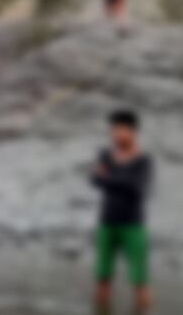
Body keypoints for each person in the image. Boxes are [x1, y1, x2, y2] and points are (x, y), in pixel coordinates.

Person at [91, 110, 153, 312]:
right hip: (107, 222)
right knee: (102, 277)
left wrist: (108, 179)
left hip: (133, 225)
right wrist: (119, 181)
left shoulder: (143, 160)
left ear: (133, 132)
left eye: (121, 130)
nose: (116, 135)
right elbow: (94, 180)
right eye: (113, 130)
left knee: (139, 280)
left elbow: (137, 189)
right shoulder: (105, 154)